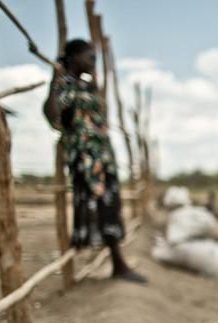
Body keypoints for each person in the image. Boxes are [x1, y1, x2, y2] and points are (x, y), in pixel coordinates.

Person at [43, 39, 145, 283]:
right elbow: (52, 116)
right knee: (99, 209)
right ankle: (117, 264)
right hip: (85, 158)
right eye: (90, 58)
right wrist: (54, 79)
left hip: (102, 157)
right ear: (74, 57)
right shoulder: (64, 85)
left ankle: (118, 264)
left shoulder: (88, 88)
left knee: (110, 208)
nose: (93, 63)